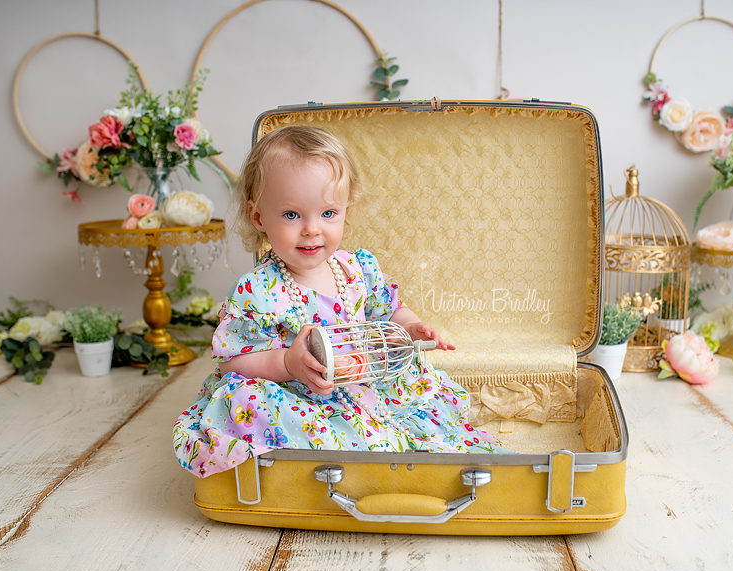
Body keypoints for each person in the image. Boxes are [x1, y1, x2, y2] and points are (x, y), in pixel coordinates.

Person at [173, 126, 505, 478]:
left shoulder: (358, 269)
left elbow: (390, 308)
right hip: (298, 393)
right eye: (291, 215)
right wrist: (287, 363)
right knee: (247, 404)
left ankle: (396, 446)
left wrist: (410, 325)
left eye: (328, 213)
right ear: (259, 218)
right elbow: (233, 363)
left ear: (346, 210)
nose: (312, 229)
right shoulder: (256, 290)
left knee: (415, 387)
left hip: (364, 381)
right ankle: (347, 453)